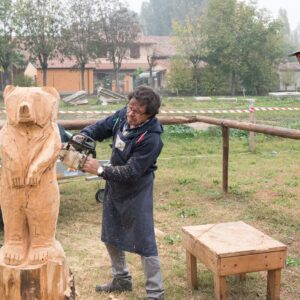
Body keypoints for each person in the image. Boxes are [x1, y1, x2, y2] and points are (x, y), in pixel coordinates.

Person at [80, 86, 164, 300]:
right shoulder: (122, 116)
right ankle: (121, 279)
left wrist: (99, 169)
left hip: (137, 189)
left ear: (149, 114)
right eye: (130, 107)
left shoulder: (152, 139)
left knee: (144, 238)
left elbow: (132, 172)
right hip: (114, 184)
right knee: (111, 231)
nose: (130, 113)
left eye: (137, 112)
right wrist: (84, 135)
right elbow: (101, 127)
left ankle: (155, 293)